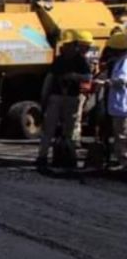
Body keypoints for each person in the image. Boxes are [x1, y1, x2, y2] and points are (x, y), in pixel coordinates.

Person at [37, 30, 93, 169]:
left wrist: (74, 76)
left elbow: (88, 77)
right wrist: (44, 98)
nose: (66, 48)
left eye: (68, 45)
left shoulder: (80, 61)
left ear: (74, 45)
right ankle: (42, 156)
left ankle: (68, 156)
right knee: (48, 129)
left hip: (71, 98)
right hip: (56, 97)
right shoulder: (59, 60)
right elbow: (49, 79)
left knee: (69, 129)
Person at [106, 33, 127, 171]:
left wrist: (108, 82)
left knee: (122, 136)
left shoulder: (125, 61)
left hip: (123, 106)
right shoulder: (121, 60)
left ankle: (125, 163)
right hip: (120, 105)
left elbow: (123, 80)